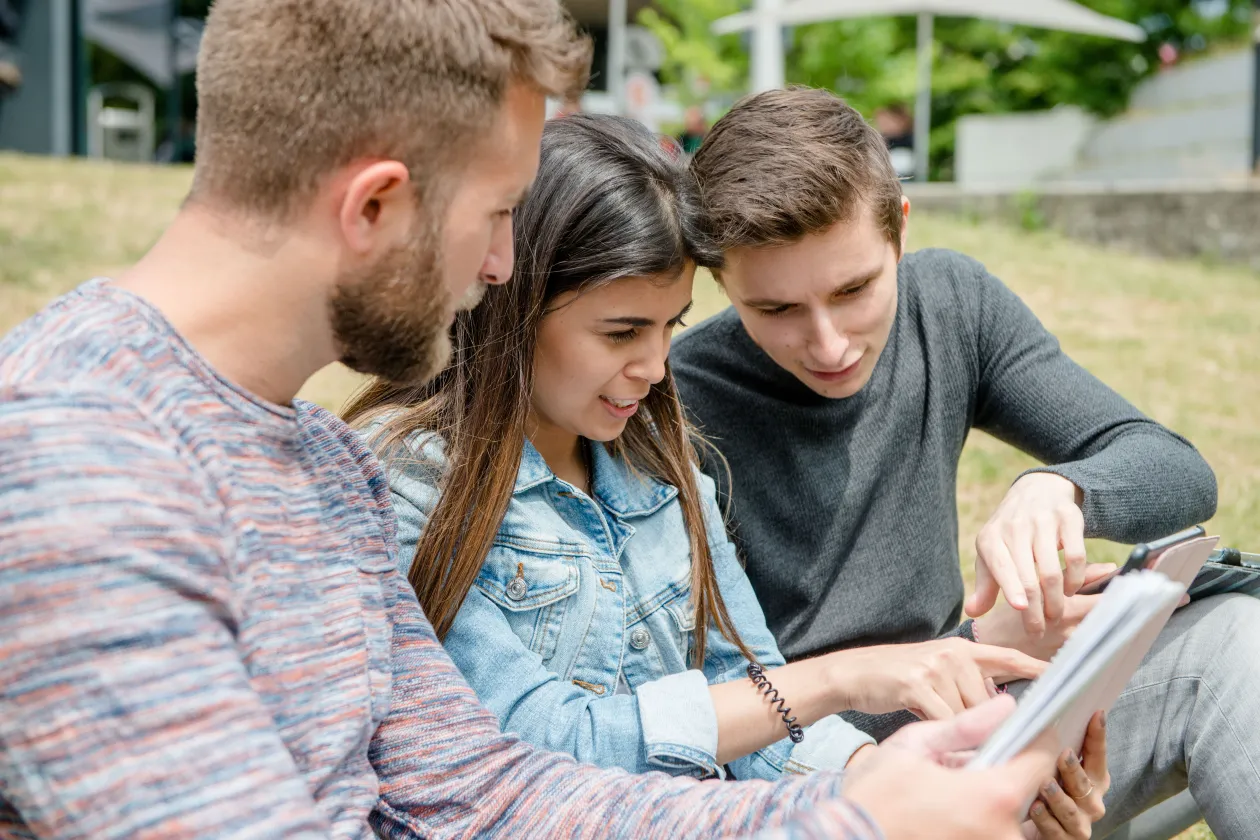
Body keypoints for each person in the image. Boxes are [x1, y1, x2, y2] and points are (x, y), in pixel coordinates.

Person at [0, 3, 1064, 839]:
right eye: (501, 211)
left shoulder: (320, 461)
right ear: (375, 204)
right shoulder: (76, 460)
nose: (503, 270)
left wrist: (863, 809)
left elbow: (481, 796)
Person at [349, 112, 1107, 839]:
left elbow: (753, 704)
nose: (653, 367)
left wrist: (896, 778)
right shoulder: (410, 479)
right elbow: (540, 741)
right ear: (516, 305)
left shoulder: (658, 461)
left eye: (669, 326)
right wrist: (848, 679)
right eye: (621, 332)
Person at [672, 85, 1260, 838]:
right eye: (776, 311)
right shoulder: (676, 404)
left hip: (982, 724)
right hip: (824, 789)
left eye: (855, 289)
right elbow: (717, 718)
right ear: (722, 281)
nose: (828, 345)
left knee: (1235, 638)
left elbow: (1179, 473)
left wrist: (1062, 489)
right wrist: (978, 649)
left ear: (900, 231)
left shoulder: (947, 304)